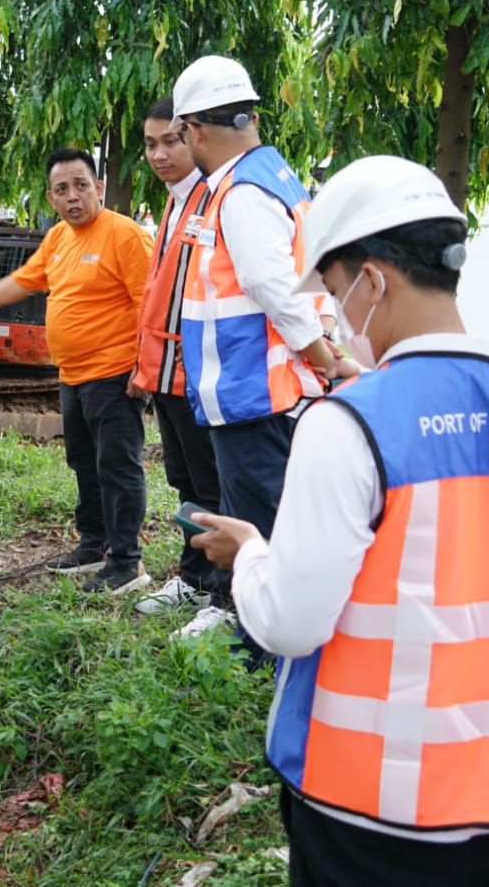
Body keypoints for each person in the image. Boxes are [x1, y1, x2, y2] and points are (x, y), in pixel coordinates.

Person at [192, 156, 489, 887]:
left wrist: (252, 556)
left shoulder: (349, 422)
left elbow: (290, 622)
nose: (333, 316)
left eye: (331, 291)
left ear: (374, 281)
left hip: (366, 815)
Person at [168, 55, 356, 657]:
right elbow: (316, 278)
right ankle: (266, 629)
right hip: (269, 387)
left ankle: (263, 645)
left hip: (253, 389)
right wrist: (325, 350)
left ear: (196, 130)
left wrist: (326, 358)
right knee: (270, 514)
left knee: (260, 525)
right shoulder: (276, 176)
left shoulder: (241, 192)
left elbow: (274, 286)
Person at [0, 149, 155, 593]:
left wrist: (143, 368)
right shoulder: (57, 238)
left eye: (80, 184)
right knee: (83, 462)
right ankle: (93, 545)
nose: (72, 196)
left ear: (98, 187)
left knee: (117, 466)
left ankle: (127, 563)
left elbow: (152, 306)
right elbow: (24, 280)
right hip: (72, 375)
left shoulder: (125, 236)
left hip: (114, 374)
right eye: (61, 189)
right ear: (51, 198)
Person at [126, 98, 232, 638]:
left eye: (170, 140)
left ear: (194, 136)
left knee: (213, 488)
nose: (160, 153)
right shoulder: (173, 202)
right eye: (150, 144)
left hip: (200, 376)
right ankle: (194, 578)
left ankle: (223, 594)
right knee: (185, 481)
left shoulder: (214, 200)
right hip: (168, 374)